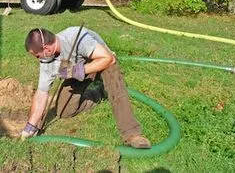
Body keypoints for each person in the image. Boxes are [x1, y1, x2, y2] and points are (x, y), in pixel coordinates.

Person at [20, 26, 151, 149]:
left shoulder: (75, 37)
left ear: (47, 48)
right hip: (77, 71)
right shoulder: (47, 62)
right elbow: (41, 94)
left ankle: (132, 134)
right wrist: (31, 126)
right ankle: (100, 92)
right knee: (64, 111)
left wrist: (78, 71)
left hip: (101, 63)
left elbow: (108, 58)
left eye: (37, 55)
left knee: (114, 80)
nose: (38, 59)